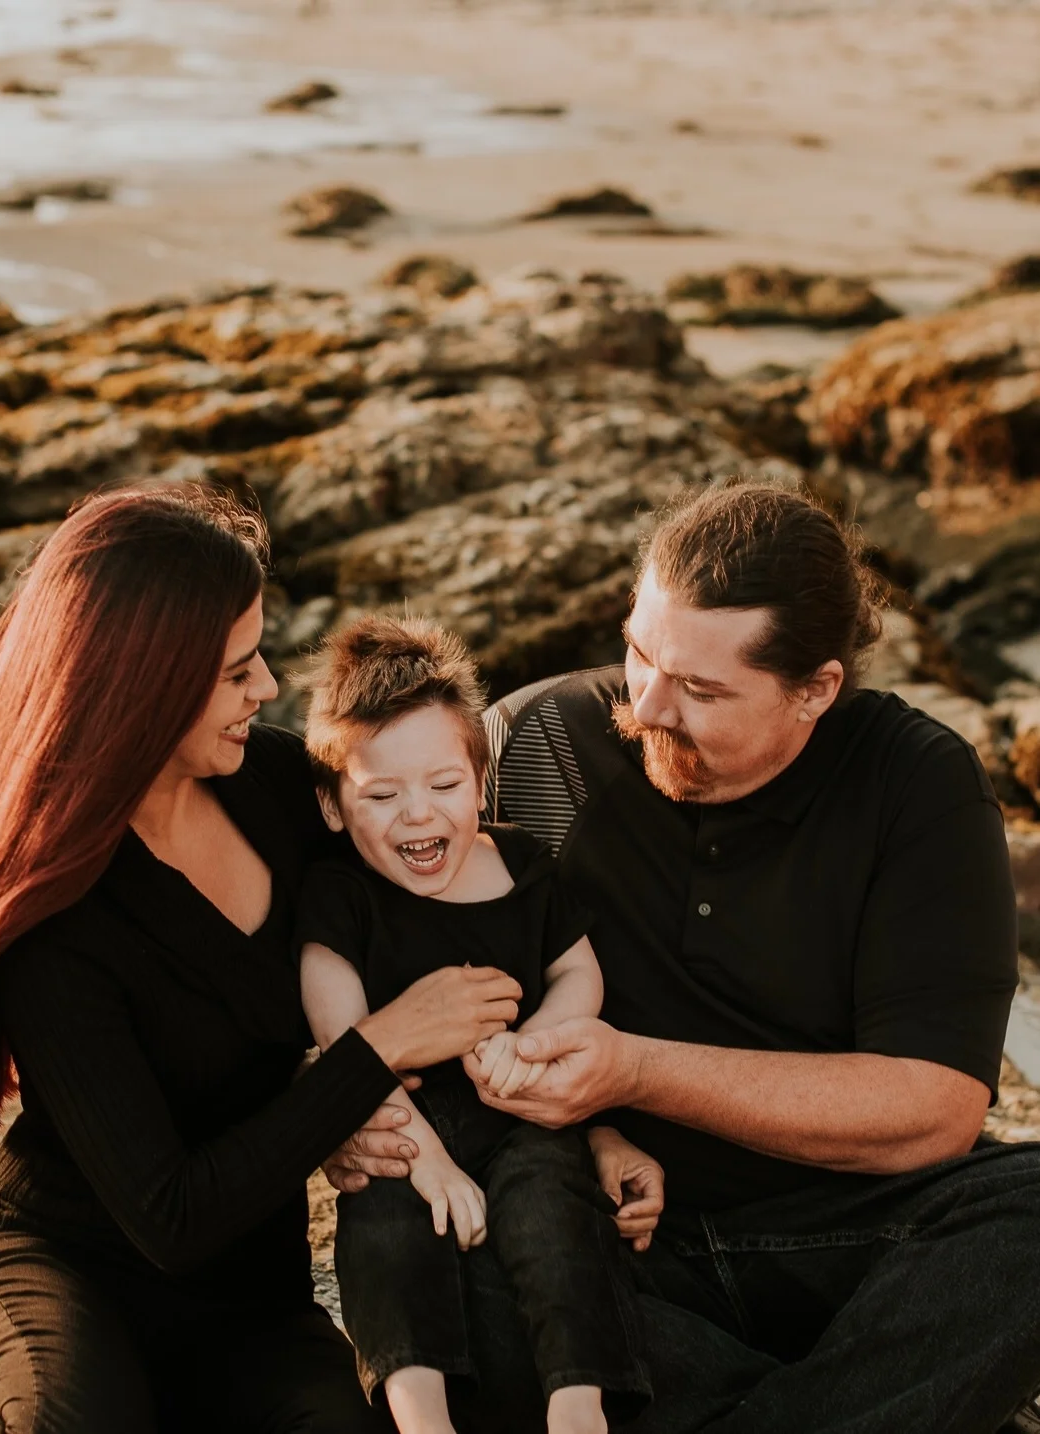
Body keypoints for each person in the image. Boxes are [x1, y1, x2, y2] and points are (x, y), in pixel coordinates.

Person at [330, 481, 1040, 1434]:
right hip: (597, 1243)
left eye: (701, 691)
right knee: (437, 1274)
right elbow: (344, 900)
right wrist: (337, 1103)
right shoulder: (535, 748)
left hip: (850, 1239)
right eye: (639, 652)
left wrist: (635, 1070)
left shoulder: (915, 783)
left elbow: (933, 1111)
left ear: (814, 689)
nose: (646, 706)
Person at [0, 487, 522, 1434]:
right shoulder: (55, 911)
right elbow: (170, 1215)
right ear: (145, 683)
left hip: (250, 1300)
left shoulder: (276, 784)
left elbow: (442, 907)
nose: (266, 687)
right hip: (69, 1271)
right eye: (236, 671)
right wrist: (370, 1058)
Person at [295, 615, 651, 1434]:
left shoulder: (521, 863)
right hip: (401, 1119)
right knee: (384, 1216)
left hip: (517, 1107)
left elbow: (577, 972)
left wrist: (534, 1043)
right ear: (331, 806)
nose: (418, 815)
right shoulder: (338, 897)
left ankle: (579, 1401)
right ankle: (421, 1413)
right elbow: (345, 1046)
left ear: (480, 782)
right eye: (381, 795)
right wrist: (428, 1163)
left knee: (556, 1210)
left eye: (444, 785)